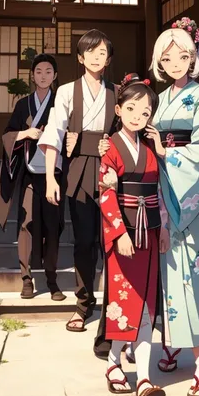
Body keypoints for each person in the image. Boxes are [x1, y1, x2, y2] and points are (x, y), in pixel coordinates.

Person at [146, 17, 199, 396]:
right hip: (165, 190)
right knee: (169, 271)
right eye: (167, 58)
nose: (175, 63)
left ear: (193, 57)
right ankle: (173, 344)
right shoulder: (159, 99)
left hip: (194, 194)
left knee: (192, 276)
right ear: (159, 63)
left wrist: (169, 154)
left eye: (183, 55)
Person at [39, 29, 117, 343]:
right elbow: (55, 133)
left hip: (113, 172)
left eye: (103, 52)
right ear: (81, 57)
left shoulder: (118, 92)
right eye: (92, 52)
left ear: (109, 59)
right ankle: (84, 304)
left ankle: (117, 303)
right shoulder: (68, 91)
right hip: (80, 173)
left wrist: (105, 143)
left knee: (112, 240)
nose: (98, 57)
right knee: (85, 240)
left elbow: (126, 130)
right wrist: (49, 178)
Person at [99, 73, 169, 396]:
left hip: (150, 232)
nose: (138, 117)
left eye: (145, 112)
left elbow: (158, 192)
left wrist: (165, 228)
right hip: (124, 233)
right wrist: (119, 232)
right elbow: (106, 192)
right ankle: (113, 359)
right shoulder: (110, 146)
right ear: (119, 109)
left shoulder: (150, 151)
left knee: (146, 306)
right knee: (123, 301)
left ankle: (143, 378)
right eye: (132, 109)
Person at [0, 53, 66, 301]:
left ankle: (52, 279)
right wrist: (26, 133)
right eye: (39, 72)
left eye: (48, 71)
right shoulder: (22, 105)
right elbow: (7, 136)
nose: (43, 76)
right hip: (28, 174)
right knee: (26, 224)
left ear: (55, 76)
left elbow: (72, 135)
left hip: (54, 174)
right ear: (33, 75)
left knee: (52, 226)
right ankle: (26, 278)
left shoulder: (62, 102)